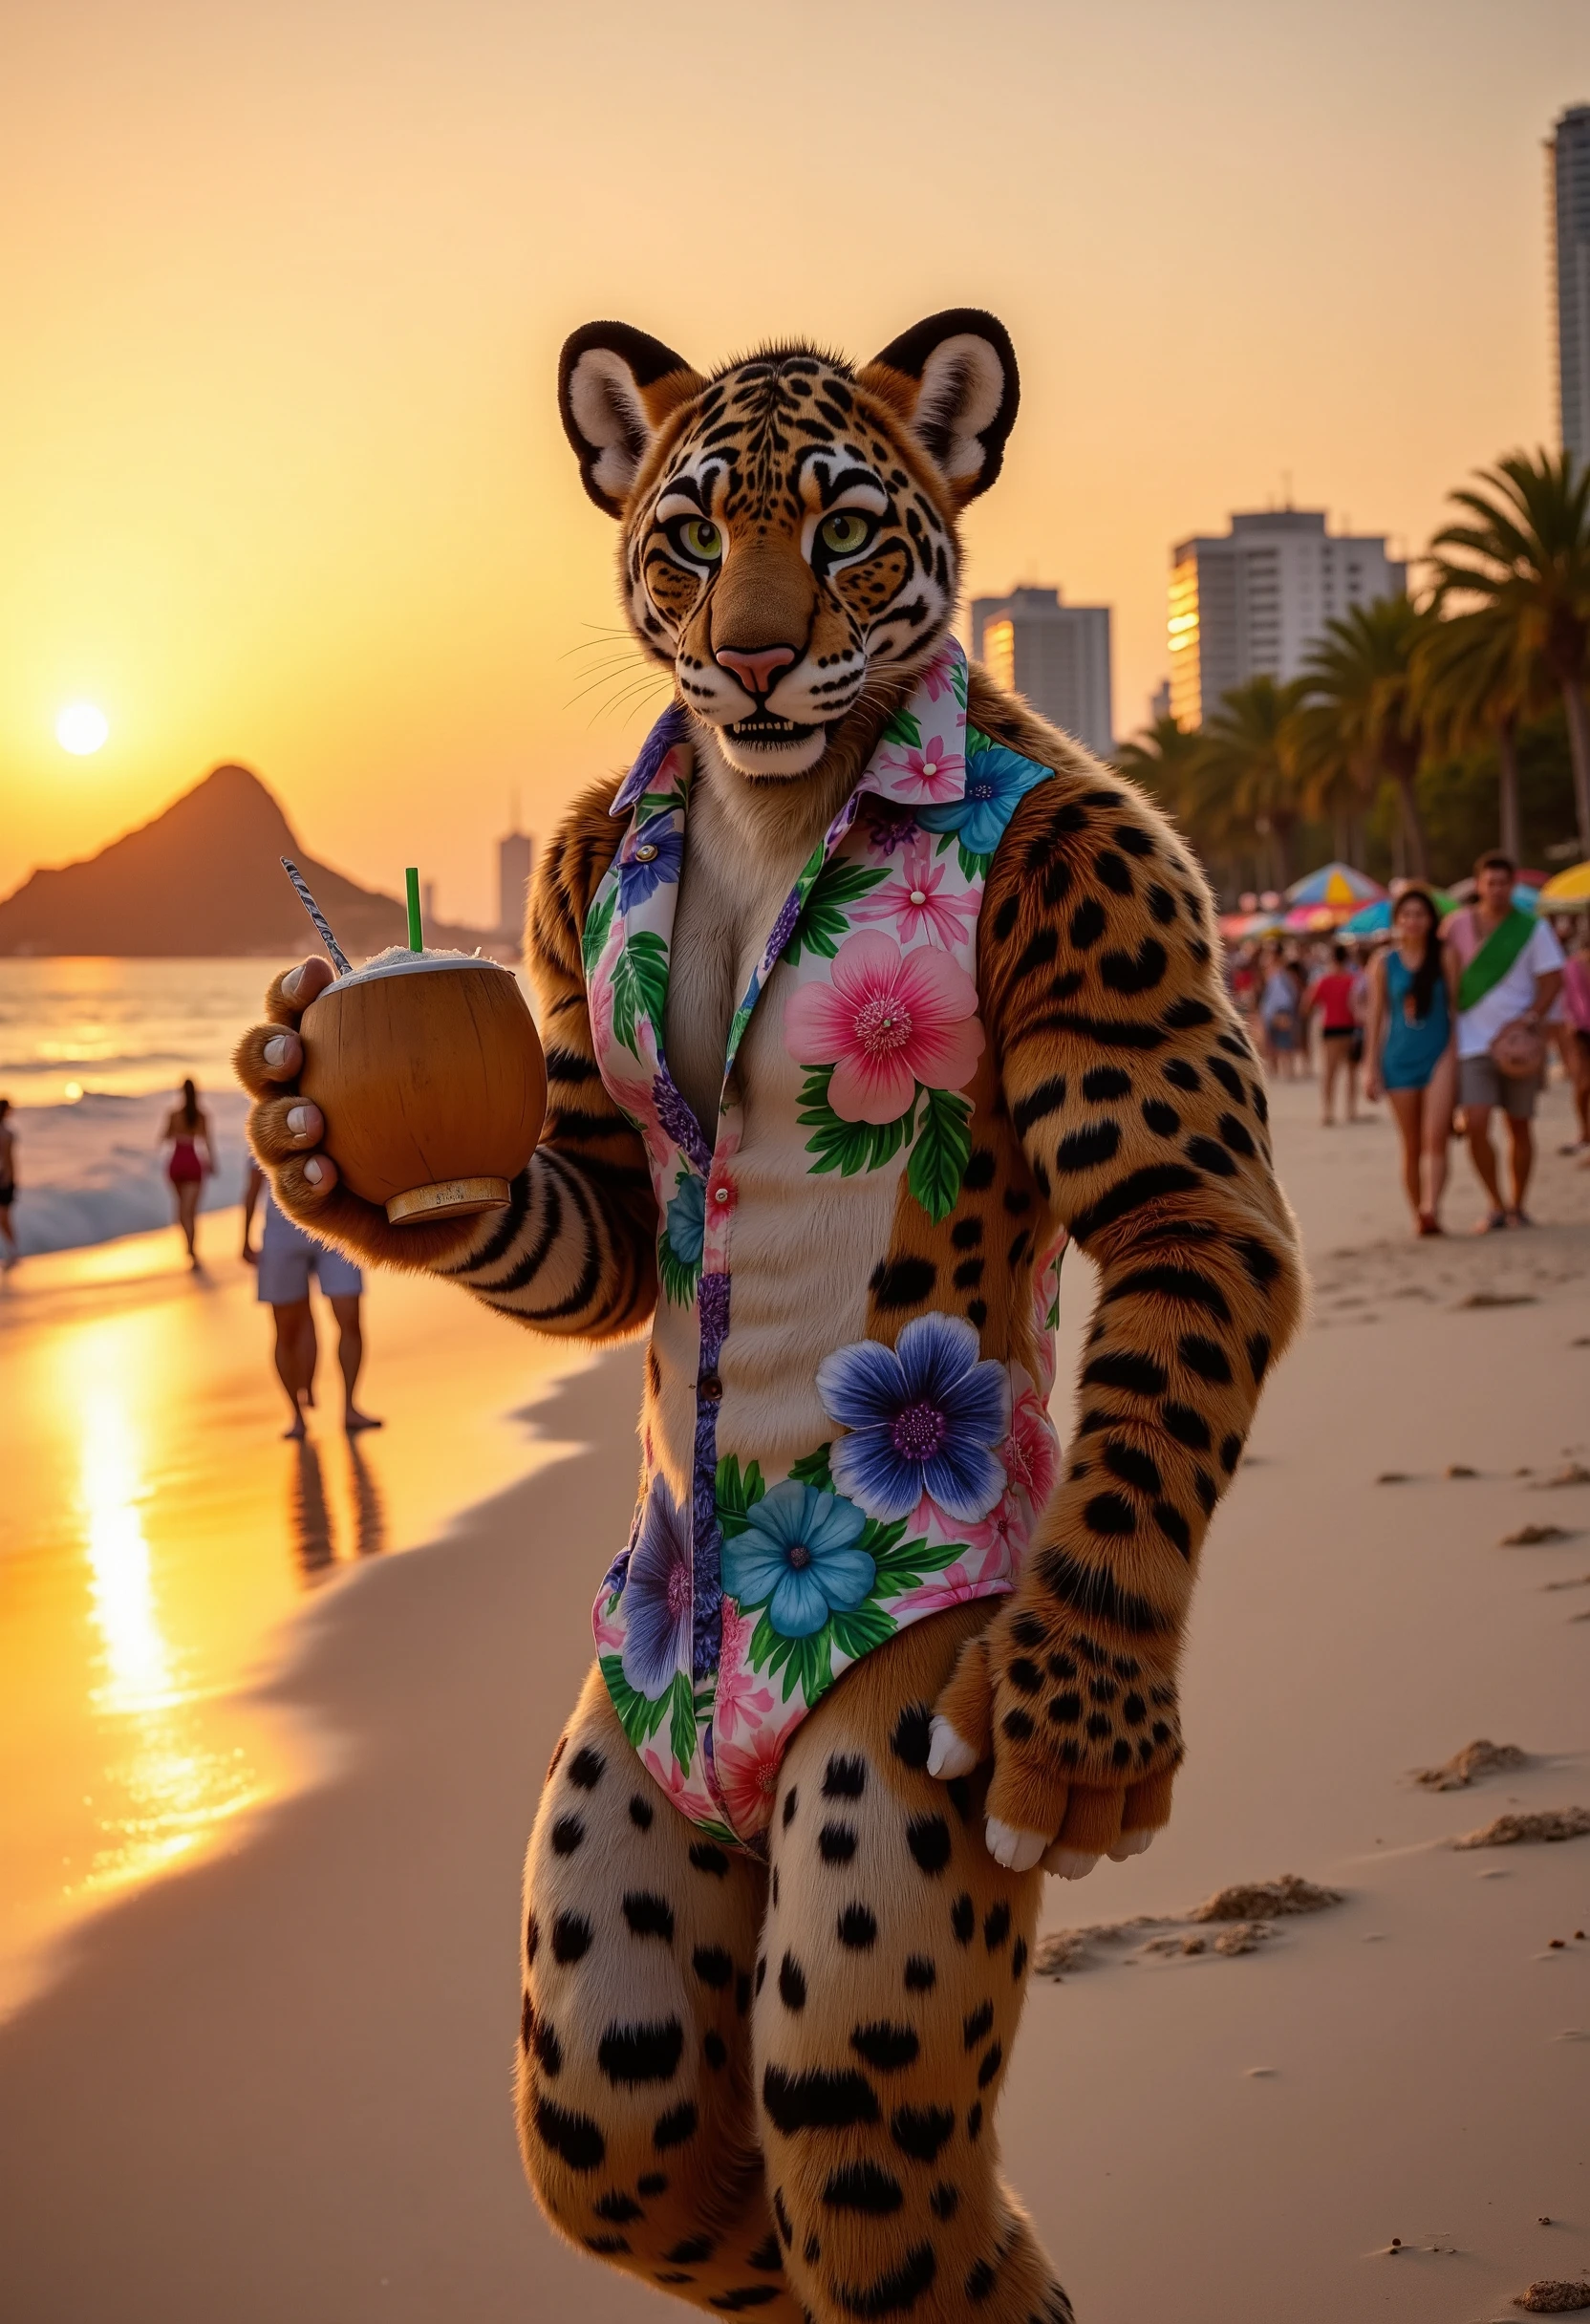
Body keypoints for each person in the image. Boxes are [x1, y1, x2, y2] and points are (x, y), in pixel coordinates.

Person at [1445, 851, 1565, 1231]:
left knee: (1519, 1125)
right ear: (1478, 885)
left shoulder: (1532, 929)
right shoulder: (1454, 926)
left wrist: (1528, 1021)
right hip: (1469, 1042)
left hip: (1518, 1044)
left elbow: (1552, 981)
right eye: (1490, 882)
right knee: (1476, 1123)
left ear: (1513, 886)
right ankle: (1494, 1202)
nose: (1496, 890)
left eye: (1503, 883)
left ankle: (1518, 1204)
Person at [242, 1158, 380, 1439]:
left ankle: (350, 1407)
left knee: (350, 1318)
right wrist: (243, 1238)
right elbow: (254, 1182)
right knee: (286, 1331)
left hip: (336, 1225)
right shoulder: (269, 1117)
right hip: (282, 1232)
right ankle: (296, 1416)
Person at [1364, 887, 1457, 1234]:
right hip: (1397, 1059)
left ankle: (1432, 1206)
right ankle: (1419, 1214)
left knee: (1436, 1137)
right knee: (1411, 1144)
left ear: (1431, 920)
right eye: (1406, 915)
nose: (1413, 921)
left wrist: (1456, 1054)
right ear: (1397, 920)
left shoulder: (1445, 955)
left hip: (1440, 1055)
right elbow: (1375, 1017)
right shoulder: (1383, 963)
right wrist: (1370, 1067)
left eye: (1420, 914)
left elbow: (1456, 1011)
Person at [1304, 940, 1362, 1125]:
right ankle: (1351, 1111)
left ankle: (1327, 1112)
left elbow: (1307, 1005)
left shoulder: (1323, 980)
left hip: (1330, 1028)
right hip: (1350, 1027)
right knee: (1351, 1072)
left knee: (1330, 1072)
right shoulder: (1353, 980)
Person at [160, 1077, 213, 1267]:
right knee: (191, 1212)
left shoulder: (174, 1114)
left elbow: (164, 1138)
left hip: (176, 1161)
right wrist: (212, 1163)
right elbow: (208, 1143)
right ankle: (191, 1249)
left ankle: (189, 1247)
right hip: (192, 1162)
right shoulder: (202, 1116)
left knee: (182, 1211)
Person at [1559, 915, 1590, 1157]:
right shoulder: (1572, 965)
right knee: (1582, 1084)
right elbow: (1569, 1001)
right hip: (1581, 1031)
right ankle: (1584, 1131)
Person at [1259, 941, 1300, 1078]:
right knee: (1277, 1041)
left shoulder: (1280, 972)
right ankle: (1280, 1070)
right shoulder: (1275, 972)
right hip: (1274, 1010)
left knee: (1283, 1041)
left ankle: (1286, 1070)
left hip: (1280, 1010)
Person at [0, 1097, 16, 1272]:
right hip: (5, 1177)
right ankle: (12, 1250)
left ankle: (12, 1251)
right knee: (4, 1217)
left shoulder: (6, 1132)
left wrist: (9, 1179)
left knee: (4, 1217)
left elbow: (9, 1160)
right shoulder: (6, 1132)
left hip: (4, 1179)